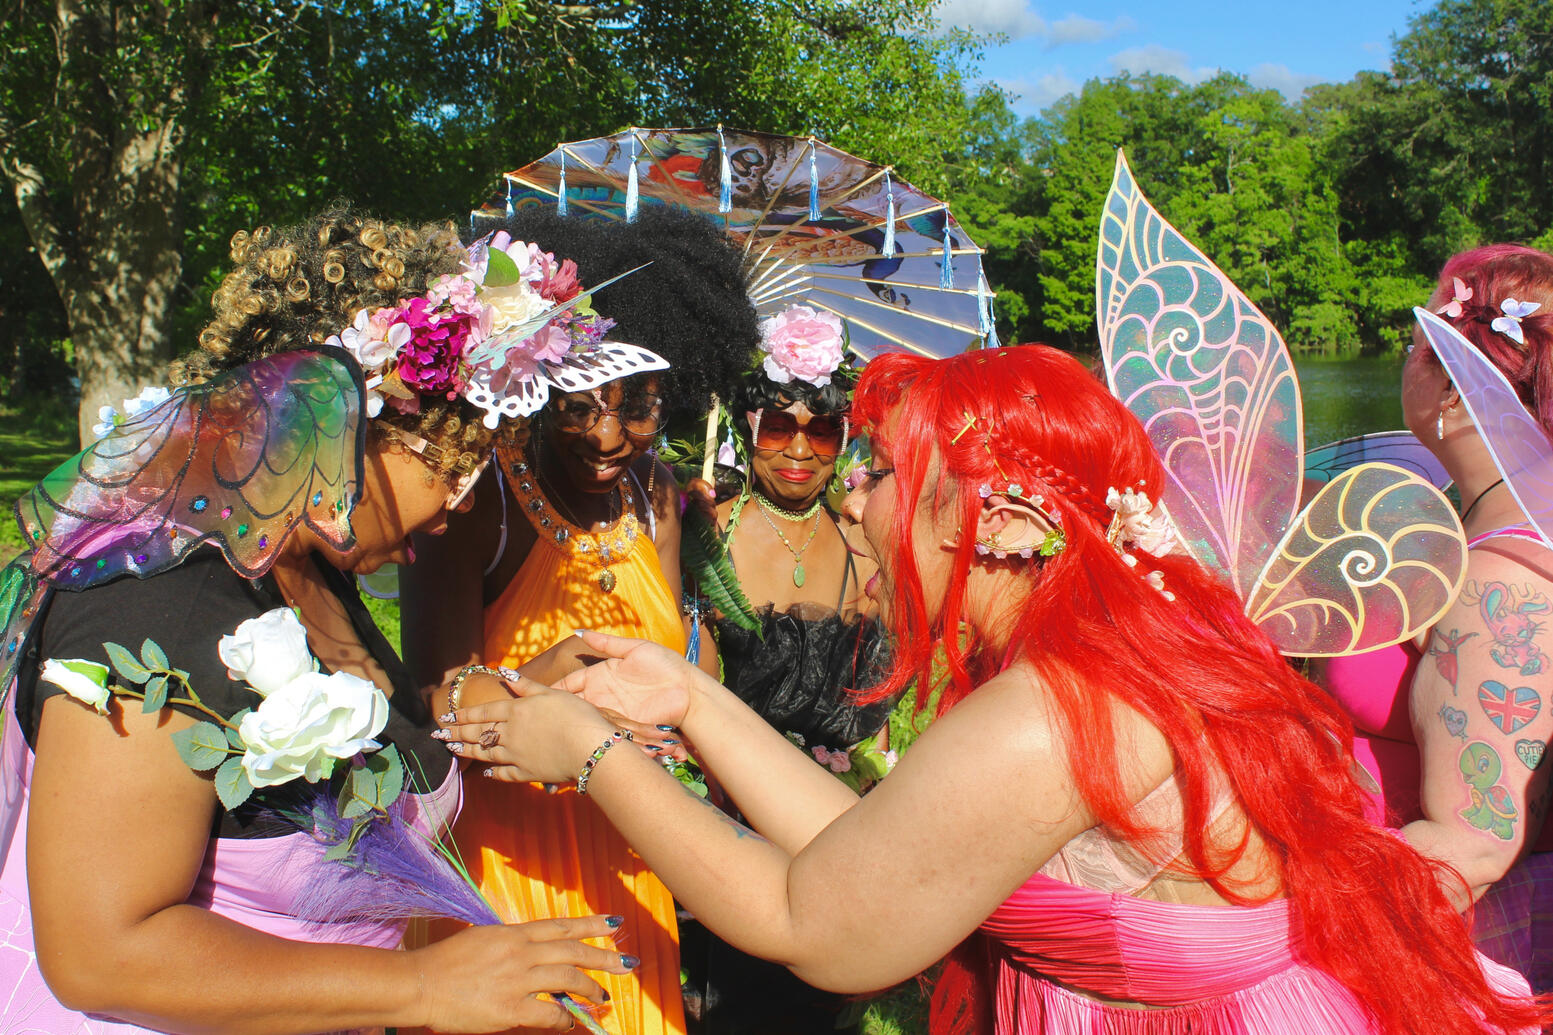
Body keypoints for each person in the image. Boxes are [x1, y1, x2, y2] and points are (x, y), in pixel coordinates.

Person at [438, 344, 1544, 1035]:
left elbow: (821, 925)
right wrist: (687, 697)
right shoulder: (1113, 648)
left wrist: (591, 756)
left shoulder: (1053, 712)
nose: (854, 499)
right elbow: (880, 861)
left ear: (1001, 525)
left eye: (880, 473)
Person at [0, 208, 634, 1033]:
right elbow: (99, 951)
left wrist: (512, 704)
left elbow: (329, 785)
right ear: (341, 424)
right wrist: (426, 987)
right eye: (453, 458)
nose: (460, 503)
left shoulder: (308, 575)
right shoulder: (159, 600)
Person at [402, 205, 758, 1035]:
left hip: (631, 843)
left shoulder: (658, 497)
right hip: (507, 861)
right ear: (542, 392)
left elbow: (681, 661)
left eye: (638, 407)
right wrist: (555, 682)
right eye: (579, 406)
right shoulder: (478, 501)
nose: (608, 435)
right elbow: (437, 708)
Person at [1321, 244, 1553, 994]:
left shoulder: (1499, 583)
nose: (1403, 364)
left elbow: (1472, 845)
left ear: (1455, 394)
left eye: (1416, 349)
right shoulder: (1481, 521)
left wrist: (1278, 940)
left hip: (1440, 950)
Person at [678, 305, 894, 1032]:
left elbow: (884, 701)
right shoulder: (710, 532)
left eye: (820, 429)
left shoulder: (868, 550)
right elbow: (693, 695)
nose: (797, 447)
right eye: (777, 426)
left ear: (843, 440)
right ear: (746, 428)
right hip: (731, 833)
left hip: (840, 838)